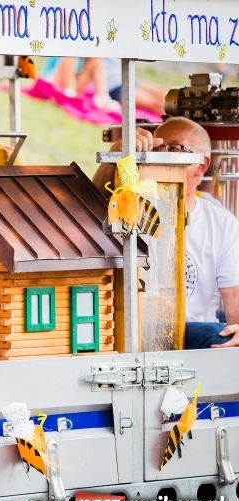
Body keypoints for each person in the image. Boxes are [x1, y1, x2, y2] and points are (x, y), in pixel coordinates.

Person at [92, 116, 239, 349]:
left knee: (219, 334)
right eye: (156, 148)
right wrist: (117, 155)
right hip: (132, 328)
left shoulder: (222, 224)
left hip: (193, 335)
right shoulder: (130, 205)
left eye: (173, 149)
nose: (161, 156)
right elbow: (92, 204)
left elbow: (234, 299)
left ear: (202, 165)